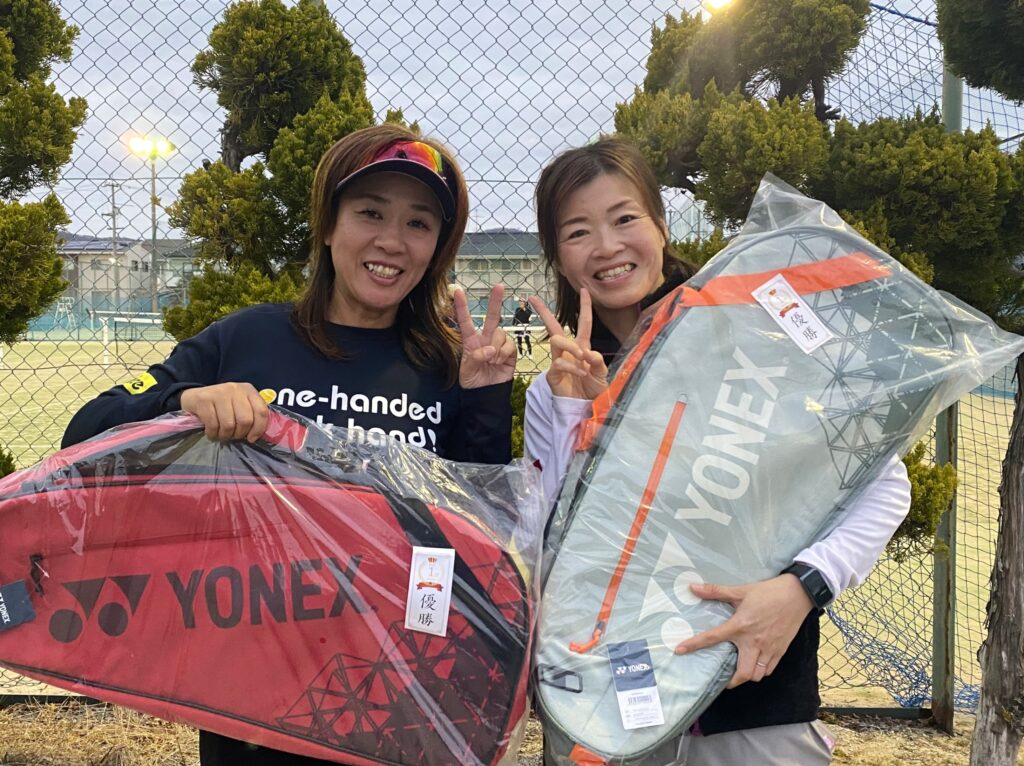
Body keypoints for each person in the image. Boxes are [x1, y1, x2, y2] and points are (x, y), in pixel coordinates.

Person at [62, 124, 517, 765]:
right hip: (256, 700)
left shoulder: (446, 364)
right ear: (328, 225)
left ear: (437, 248)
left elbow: (480, 529)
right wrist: (185, 401)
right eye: (370, 213)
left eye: (419, 223)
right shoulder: (247, 340)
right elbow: (85, 432)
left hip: (400, 693)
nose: (392, 240)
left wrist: (486, 396)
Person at [525, 137, 911, 765]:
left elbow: (884, 483)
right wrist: (579, 416)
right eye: (578, 231)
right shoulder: (557, 388)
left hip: (755, 701)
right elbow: (549, 548)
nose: (607, 246)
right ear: (558, 257)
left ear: (660, 223)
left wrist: (800, 589)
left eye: (624, 218)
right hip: (601, 703)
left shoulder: (750, 332)